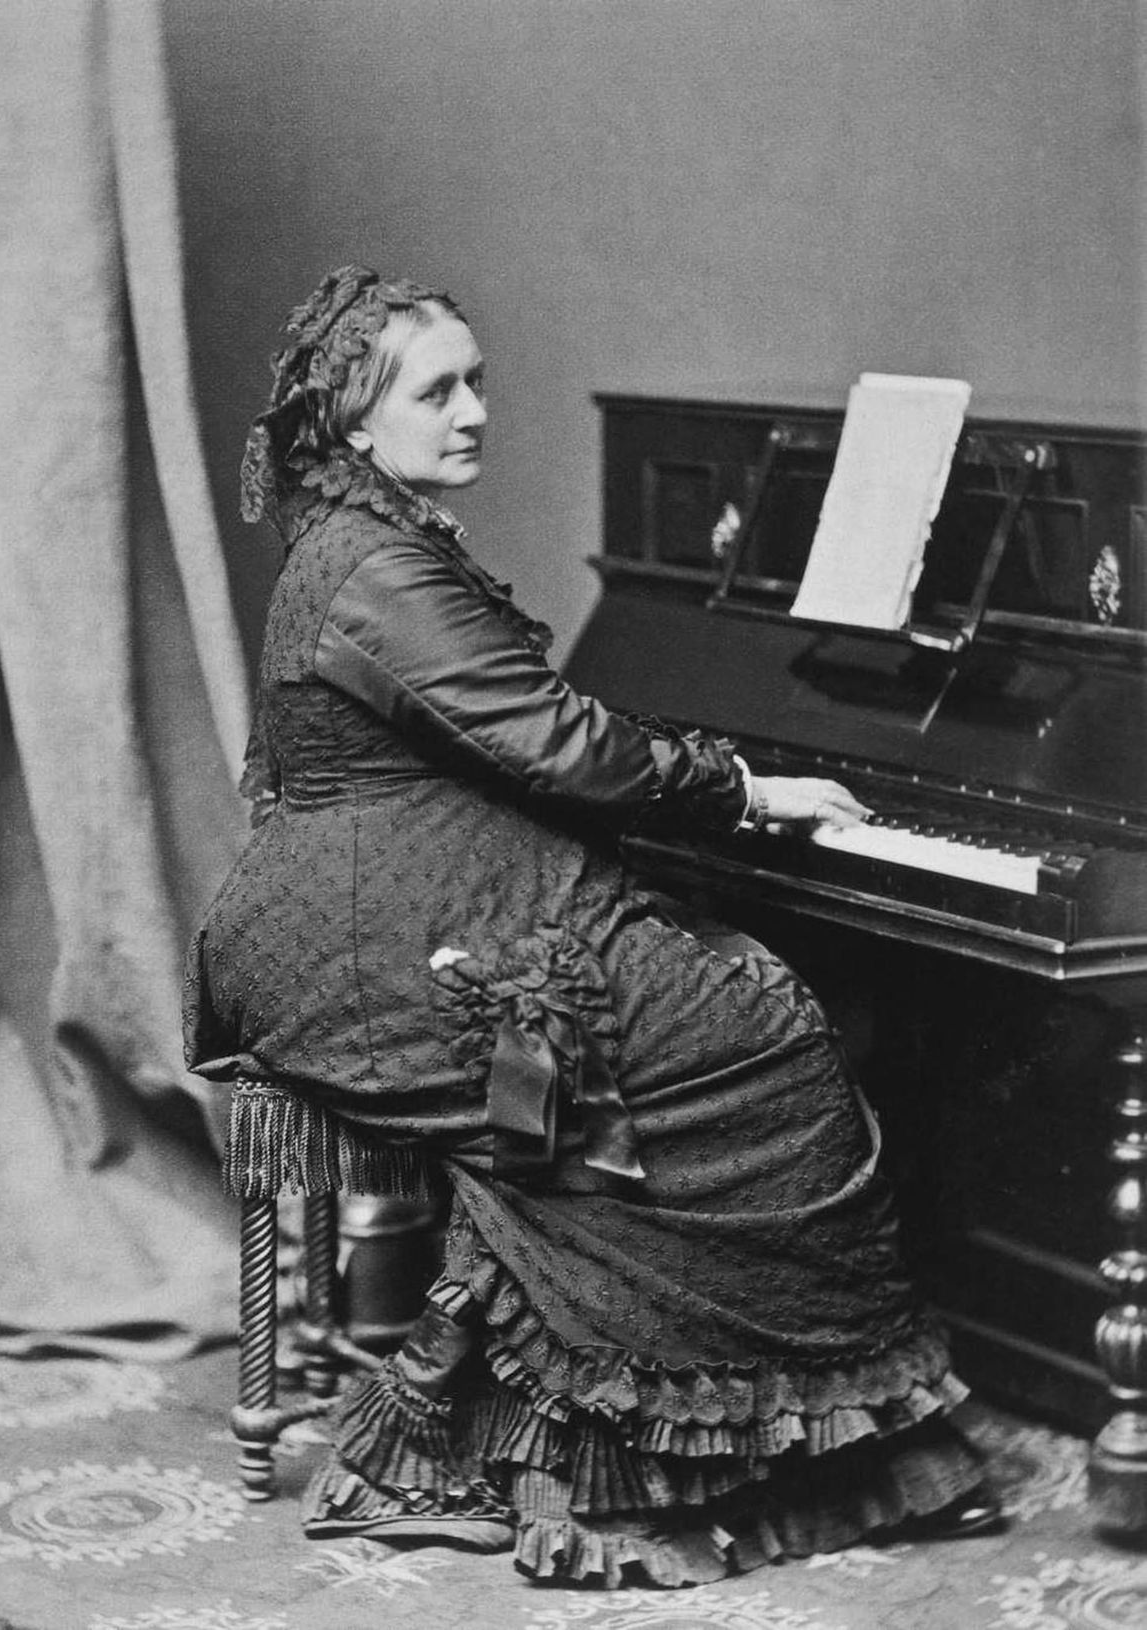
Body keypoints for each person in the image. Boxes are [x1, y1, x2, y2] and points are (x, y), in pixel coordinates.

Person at [184, 265, 1003, 1589]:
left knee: (704, 1015)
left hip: (374, 911)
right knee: (765, 1044)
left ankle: (508, 1385)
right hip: (370, 952)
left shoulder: (364, 535)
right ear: (350, 421)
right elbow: (563, 744)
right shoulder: (379, 567)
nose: (473, 412)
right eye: (436, 391)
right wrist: (744, 786)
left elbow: (522, 738)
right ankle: (674, 1462)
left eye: (477, 381)